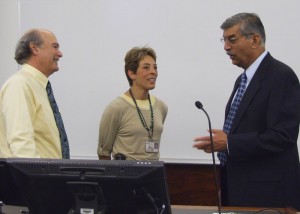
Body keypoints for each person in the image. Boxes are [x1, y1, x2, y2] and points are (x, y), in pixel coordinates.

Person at [193, 13, 300, 209]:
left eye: (232, 39)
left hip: (268, 196)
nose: (226, 47)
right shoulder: (242, 80)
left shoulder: (281, 76)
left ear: (255, 40)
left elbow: (283, 136)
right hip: (237, 189)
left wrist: (229, 142)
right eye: (223, 40)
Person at [0, 28, 70, 159]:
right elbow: (22, 145)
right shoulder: (20, 85)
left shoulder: (38, 87)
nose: (60, 54)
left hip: (45, 176)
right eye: (55, 47)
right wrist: (34, 179)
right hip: (33, 178)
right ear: (34, 48)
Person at [97, 46, 168, 161]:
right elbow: (104, 153)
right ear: (132, 74)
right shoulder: (116, 108)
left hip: (153, 175)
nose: (153, 72)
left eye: (155, 68)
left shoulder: (161, 107)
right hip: (125, 176)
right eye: (146, 68)